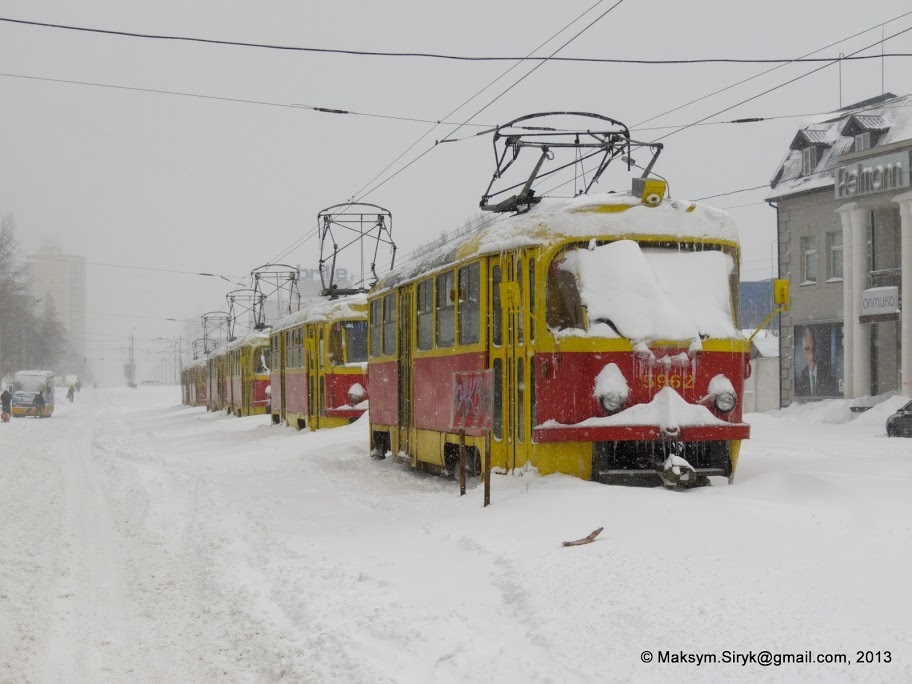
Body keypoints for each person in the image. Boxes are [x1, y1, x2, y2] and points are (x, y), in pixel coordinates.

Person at [796, 326, 839, 397]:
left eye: (813, 347)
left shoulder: (827, 373)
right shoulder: (803, 375)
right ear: (803, 353)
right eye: (807, 349)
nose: (812, 353)